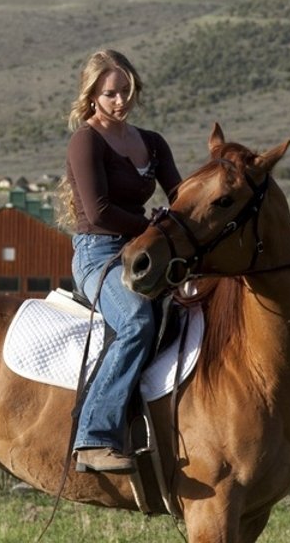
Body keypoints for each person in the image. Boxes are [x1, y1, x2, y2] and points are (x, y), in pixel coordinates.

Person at [57, 49, 182, 474]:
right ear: (92, 95)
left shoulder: (152, 143)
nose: (120, 101)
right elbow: (99, 212)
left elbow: (179, 197)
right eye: (111, 93)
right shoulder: (86, 140)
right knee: (136, 322)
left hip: (146, 251)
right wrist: (152, 226)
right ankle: (94, 437)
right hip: (99, 255)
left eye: (126, 92)